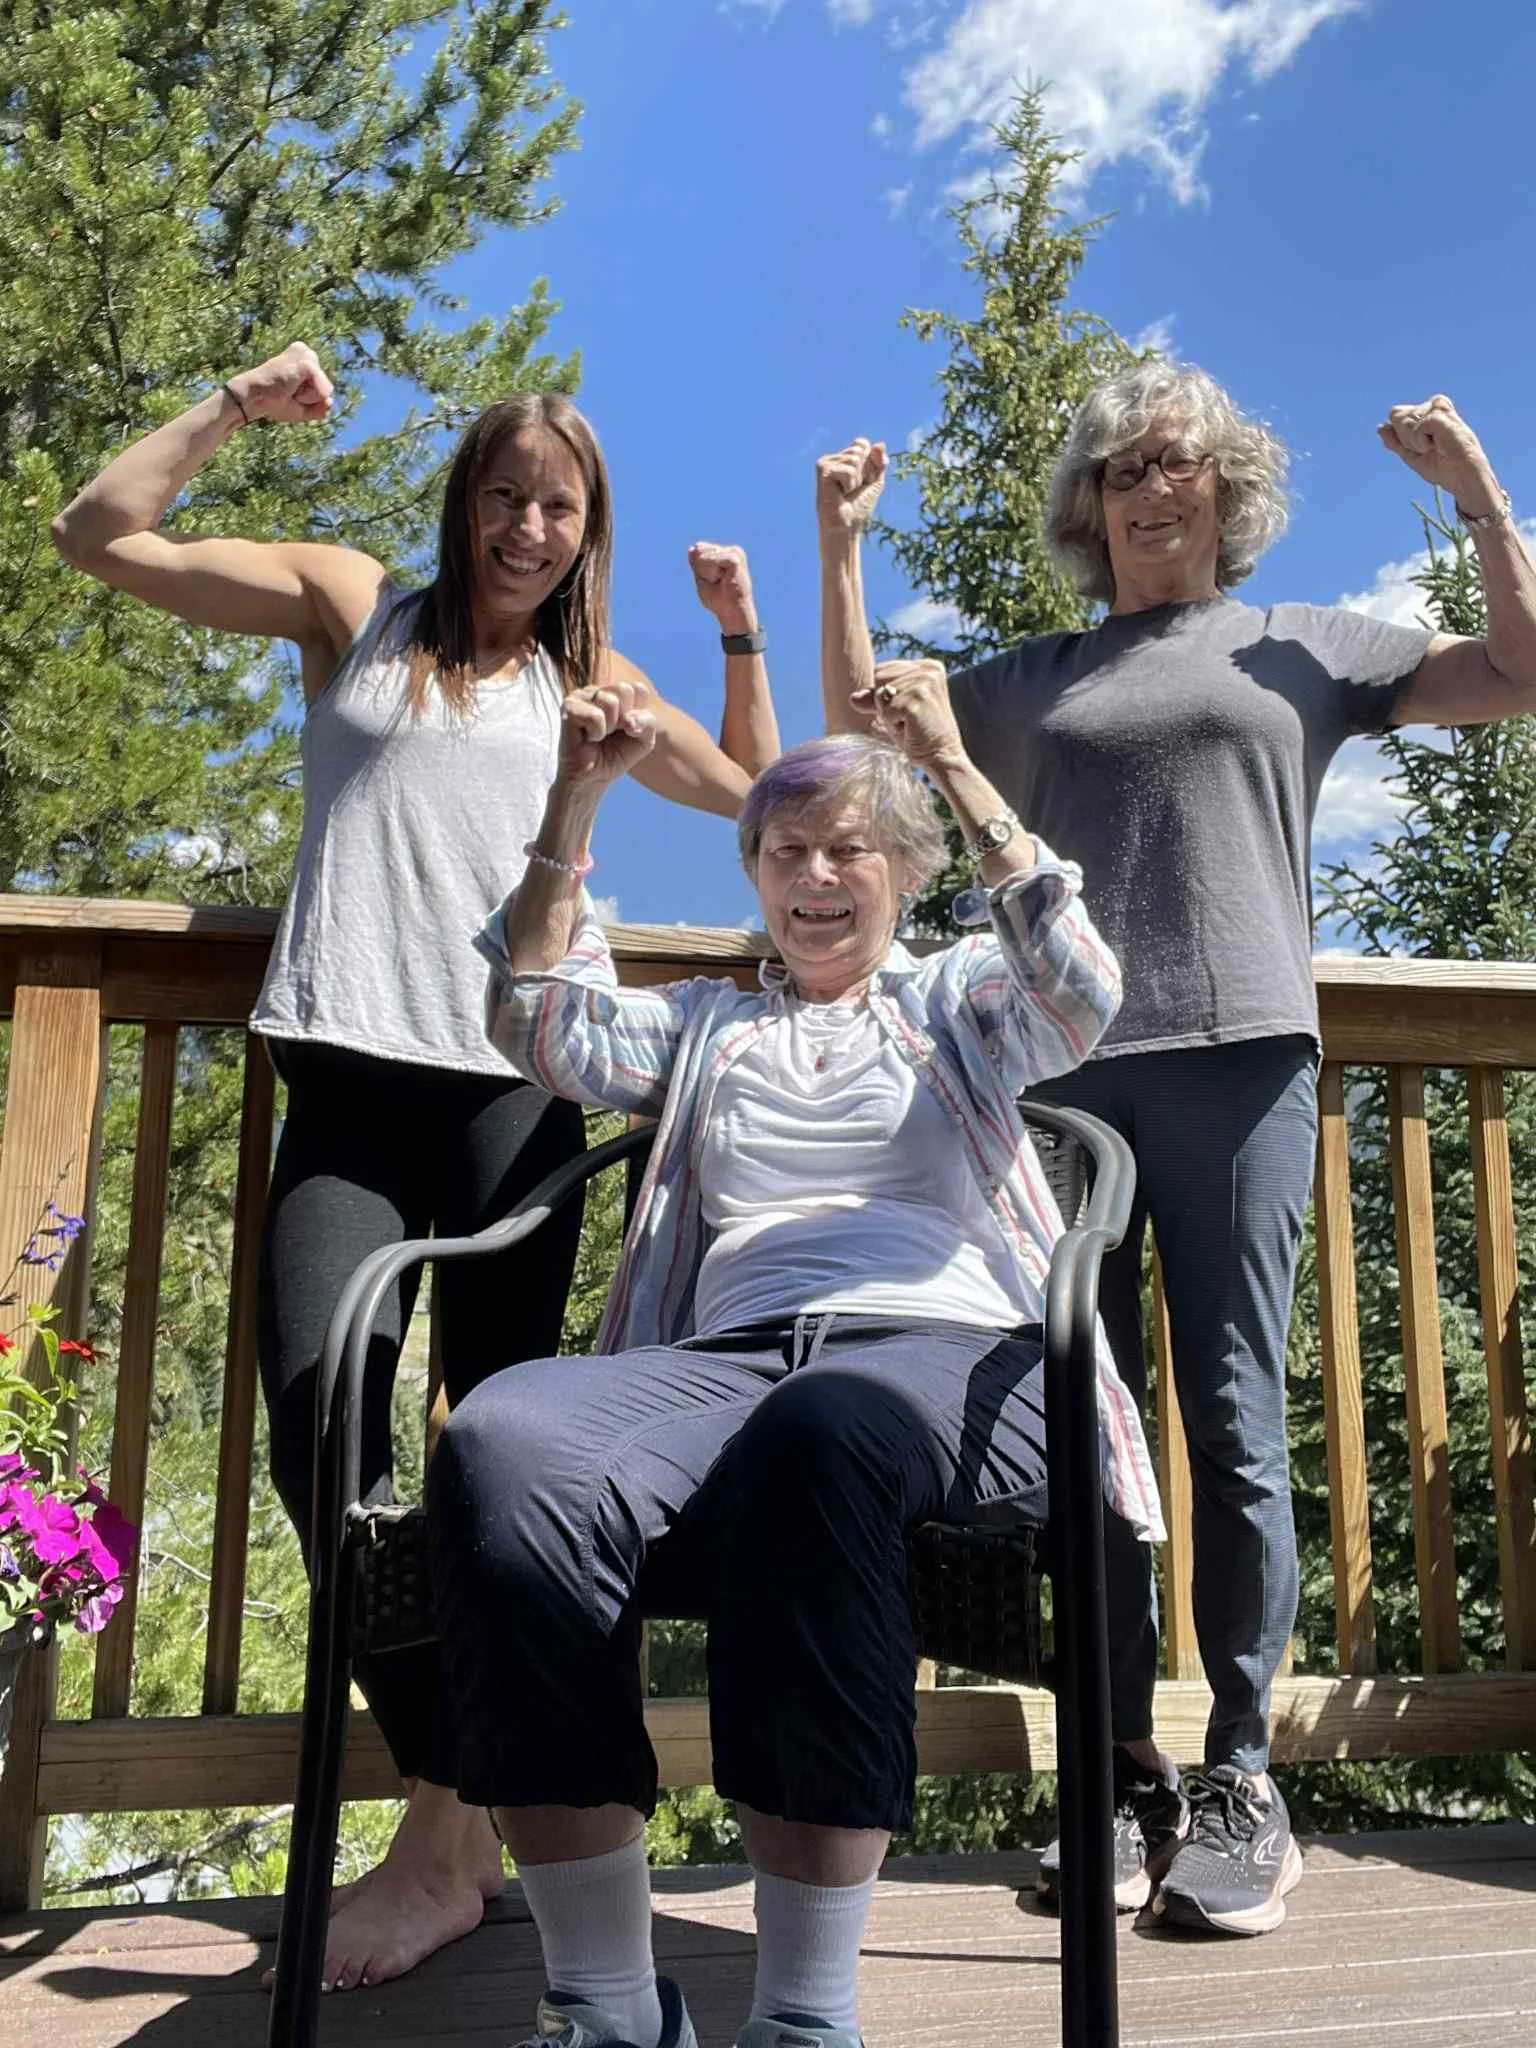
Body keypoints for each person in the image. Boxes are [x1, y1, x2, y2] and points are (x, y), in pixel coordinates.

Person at [50, 341, 780, 1990]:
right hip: (350, 1093)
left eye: (561, 507)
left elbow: (765, 798)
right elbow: (99, 534)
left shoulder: (590, 689)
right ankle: (485, 1801)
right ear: (465, 503)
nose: (529, 528)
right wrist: (234, 403)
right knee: (322, 1426)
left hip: (520, 1102)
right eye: (508, 496)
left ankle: (446, 1838)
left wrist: (735, 633)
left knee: (504, 1470)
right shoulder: (352, 605)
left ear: (588, 531)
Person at [817, 368, 1536, 1937]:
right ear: (1092, 507)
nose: (1155, 487)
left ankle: (1242, 1777)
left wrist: (1475, 489)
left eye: (1184, 465)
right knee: (1086, 1434)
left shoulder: (1300, 646)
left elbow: (1522, 670)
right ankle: (1123, 1776)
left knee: (1230, 1417)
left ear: (1227, 493)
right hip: (1065, 1078)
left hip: (1240, 1063)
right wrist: (842, 546)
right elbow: (865, 733)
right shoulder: (1045, 673)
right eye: (1124, 468)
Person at [429, 679, 1161, 2048]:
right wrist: (577, 796)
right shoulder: (710, 1025)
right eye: (784, 852)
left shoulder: (959, 1002)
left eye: (847, 850)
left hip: (954, 1361)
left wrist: (946, 757)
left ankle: (805, 2018)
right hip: (726, 1366)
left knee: (822, 1432)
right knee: (508, 1442)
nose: (814, 878)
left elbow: (1083, 988)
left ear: (900, 870)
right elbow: (533, 1018)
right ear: (756, 873)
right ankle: (604, 2001)